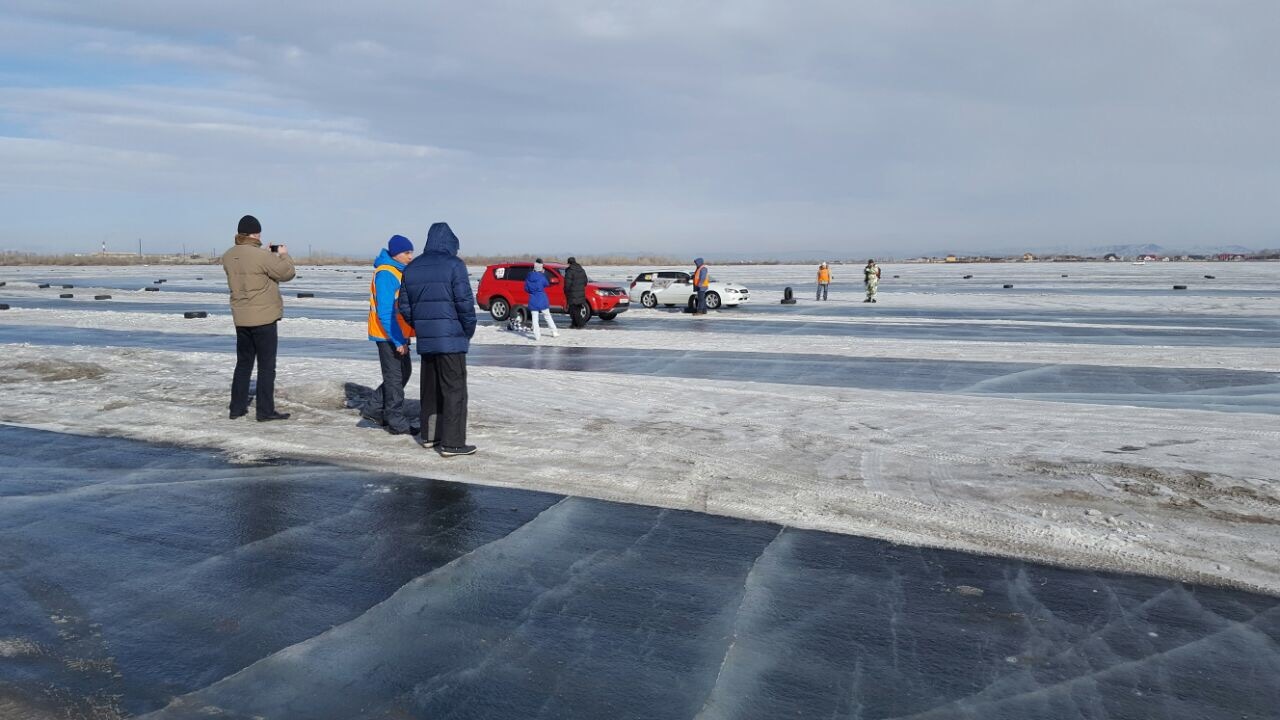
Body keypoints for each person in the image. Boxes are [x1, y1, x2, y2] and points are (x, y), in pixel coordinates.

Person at [397, 222, 477, 456]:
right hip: (451, 339)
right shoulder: (454, 265)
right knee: (454, 390)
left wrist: (420, 326)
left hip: (427, 340)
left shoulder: (412, 268)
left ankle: (430, 435)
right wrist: (467, 330)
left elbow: (404, 305)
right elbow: (465, 305)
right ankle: (453, 443)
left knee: (430, 389)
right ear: (451, 243)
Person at [222, 214, 295, 422]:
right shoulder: (263, 257)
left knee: (243, 364)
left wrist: (263, 256)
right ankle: (264, 410)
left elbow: (248, 267)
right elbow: (287, 273)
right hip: (264, 318)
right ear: (255, 233)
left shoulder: (228, 256)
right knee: (266, 366)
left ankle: (236, 408)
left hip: (241, 318)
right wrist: (282, 255)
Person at [363, 234, 418, 436]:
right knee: (395, 378)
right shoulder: (386, 274)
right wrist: (396, 340)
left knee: (402, 373)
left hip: (397, 334)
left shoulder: (397, 271)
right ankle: (396, 422)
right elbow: (385, 312)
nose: (410, 256)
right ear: (396, 254)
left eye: (411, 252)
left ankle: (373, 408)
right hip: (387, 335)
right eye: (407, 253)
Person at [524, 258, 559, 340]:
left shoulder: (528, 277)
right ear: (540, 268)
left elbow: (526, 288)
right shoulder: (541, 277)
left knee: (535, 319)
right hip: (542, 298)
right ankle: (554, 331)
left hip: (533, 299)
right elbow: (546, 284)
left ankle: (537, 336)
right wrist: (543, 274)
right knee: (547, 316)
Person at [564, 256, 589, 328]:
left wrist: (566, 291)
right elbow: (585, 282)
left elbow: (567, 284)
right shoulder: (581, 270)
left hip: (572, 294)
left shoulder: (569, 271)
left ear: (569, 263)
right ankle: (574, 324)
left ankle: (580, 324)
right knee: (577, 309)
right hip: (581, 294)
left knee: (573, 310)